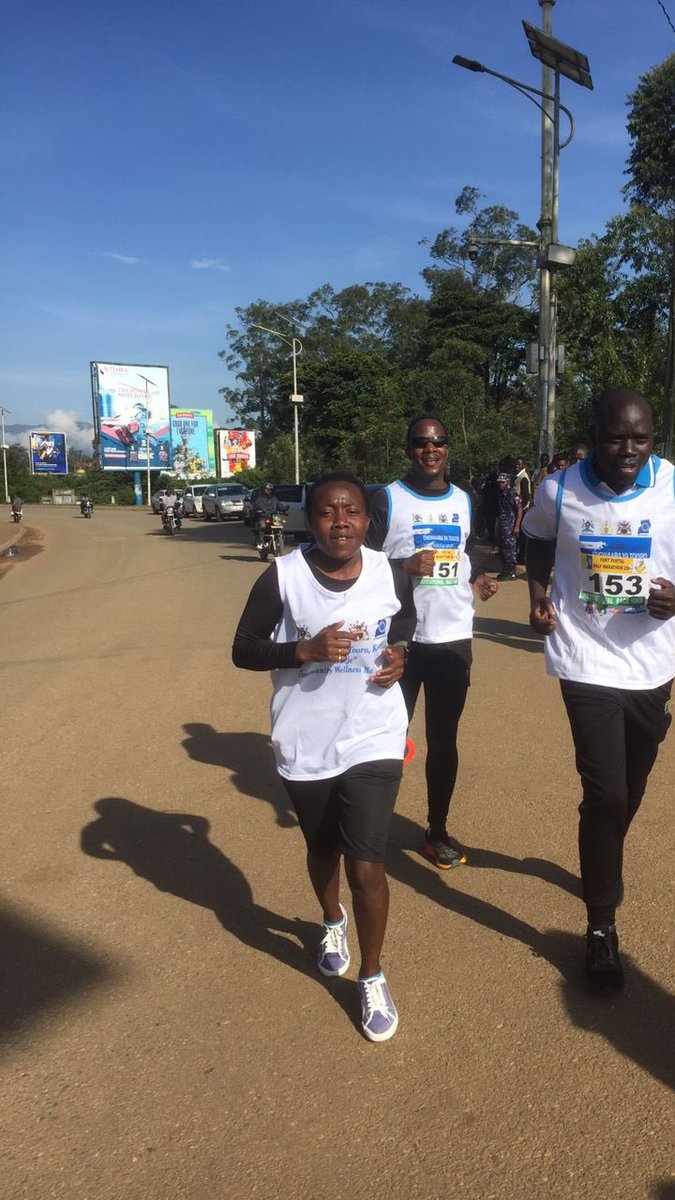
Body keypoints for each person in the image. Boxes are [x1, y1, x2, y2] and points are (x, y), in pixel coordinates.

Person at [524, 387, 675, 988]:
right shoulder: (559, 490)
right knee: (605, 793)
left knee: (629, 789)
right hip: (584, 658)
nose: (629, 449)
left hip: (650, 665)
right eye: (617, 438)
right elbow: (536, 540)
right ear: (595, 435)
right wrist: (539, 595)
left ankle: (602, 854)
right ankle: (601, 928)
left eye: (641, 438)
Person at [232, 473, 411, 1042]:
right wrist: (302, 650)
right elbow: (243, 649)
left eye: (351, 511)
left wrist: (399, 653)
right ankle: (332, 920)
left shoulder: (389, 570)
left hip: (374, 733)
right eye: (328, 512)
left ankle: (372, 974)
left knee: (367, 864)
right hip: (306, 740)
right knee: (322, 847)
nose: (341, 522)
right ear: (310, 521)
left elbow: (404, 620)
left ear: (367, 519)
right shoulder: (282, 576)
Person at [366, 414, 498, 869]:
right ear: (410, 448)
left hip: (452, 637)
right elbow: (358, 563)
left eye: (439, 441)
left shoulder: (463, 499)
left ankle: (436, 830)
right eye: (422, 442)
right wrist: (403, 565)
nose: (431, 449)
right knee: (387, 737)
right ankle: (369, 828)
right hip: (399, 638)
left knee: (444, 741)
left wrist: (478, 577)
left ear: (447, 448)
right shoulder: (386, 498)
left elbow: (466, 550)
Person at [495, 472, 520, 581]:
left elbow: (519, 509)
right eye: (499, 482)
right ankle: (505, 570)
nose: (500, 484)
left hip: (510, 527)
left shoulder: (512, 493)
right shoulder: (501, 494)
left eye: (502, 482)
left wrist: (517, 526)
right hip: (503, 526)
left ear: (508, 482)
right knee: (502, 549)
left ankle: (511, 572)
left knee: (510, 550)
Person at [253, 482, 289, 549]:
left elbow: (280, 506)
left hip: (273, 517)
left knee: (280, 525)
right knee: (262, 526)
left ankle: (279, 539)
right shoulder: (259, 499)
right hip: (263, 517)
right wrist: (258, 511)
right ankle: (261, 542)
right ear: (263, 490)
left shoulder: (274, 498)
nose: (269, 491)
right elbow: (255, 508)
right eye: (267, 489)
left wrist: (284, 509)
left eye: (270, 489)